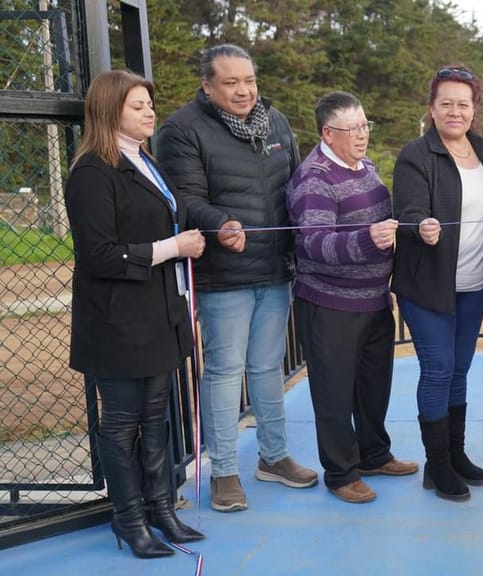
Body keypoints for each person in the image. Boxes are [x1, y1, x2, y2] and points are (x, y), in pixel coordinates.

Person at [157, 44, 317, 513]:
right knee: (226, 371)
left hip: (275, 269)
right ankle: (224, 470)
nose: (244, 90)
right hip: (223, 274)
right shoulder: (181, 128)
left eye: (249, 80)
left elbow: (296, 185)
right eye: (231, 82)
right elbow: (184, 198)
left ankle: (274, 456)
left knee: (268, 368)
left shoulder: (278, 121)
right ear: (207, 86)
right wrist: (221, 224)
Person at [66, 70, 205, 557]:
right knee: (122, 424)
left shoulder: (146, 162)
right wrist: (173, 246)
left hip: (157, 313)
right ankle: (128, 519)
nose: (150, 112)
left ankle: (161, 510)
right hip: (118, 321)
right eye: (138, 105)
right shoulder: (91, 173)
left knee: (156, 417)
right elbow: (100, 255)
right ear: (110, 112)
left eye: (150, 103)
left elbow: (171, 214)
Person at [286, 91, 419, 504]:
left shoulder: (367, 167)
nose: (362, 134)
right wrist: (367, 240)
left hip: (373, 300)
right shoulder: (315, 178)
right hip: (330, 304)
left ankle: (374, 454)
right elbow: (314, 244)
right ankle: (341, 473)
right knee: (335, 393)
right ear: (328, 132)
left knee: (372, 386)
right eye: (353, 128)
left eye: (365, 125)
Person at [392, 64, 483, 502]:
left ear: (474, 110)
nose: (455, 111)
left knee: (460, 370)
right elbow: (409, 210)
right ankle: (436, 466)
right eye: (446, 103)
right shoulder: (416, 155)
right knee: (438, 369)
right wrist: (422, 225)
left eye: (463, 104)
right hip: (428, 285)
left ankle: (454, 454)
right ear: (432, 109)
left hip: (472, 284)